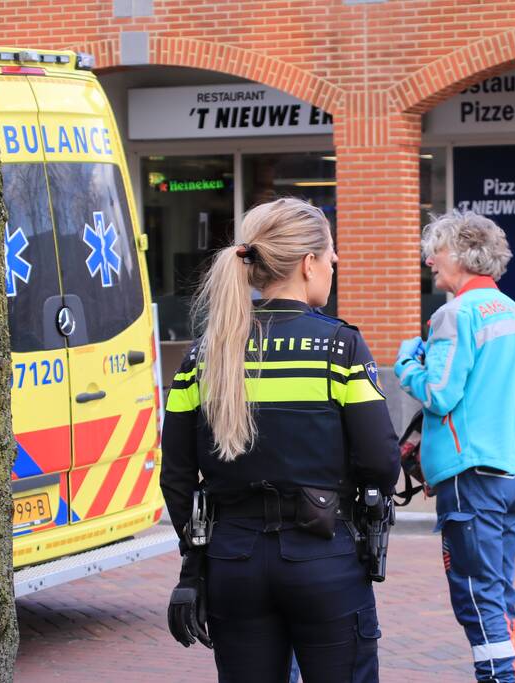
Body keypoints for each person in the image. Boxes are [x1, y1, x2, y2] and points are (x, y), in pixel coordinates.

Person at [159, 197, 400, 683]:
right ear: (309, 264)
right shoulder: (339, 346)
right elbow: (381, 463)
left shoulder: (204, 354)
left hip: (233, 562)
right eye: (331, 256)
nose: (335, 266)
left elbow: (177, 476)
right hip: (323, 556)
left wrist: (199, 555)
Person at [394, 210, 515, 683]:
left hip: (471, 476)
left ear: (459, 254)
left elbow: (440, 392)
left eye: (435, 250)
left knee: (475, 593)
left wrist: (405, 363)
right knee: (499, 588)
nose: (428, 260)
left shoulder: (455, 313)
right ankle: (511, 670)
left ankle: (499, 678)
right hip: (514, 470)